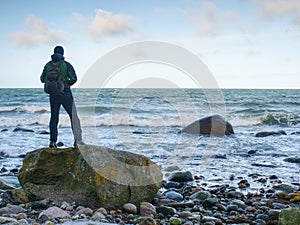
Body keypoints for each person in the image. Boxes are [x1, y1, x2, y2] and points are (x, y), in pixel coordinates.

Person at [40, 45, 84, 148]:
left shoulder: (48, 65)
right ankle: (78, 141)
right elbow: (74, 78)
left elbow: (42, 79)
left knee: (54, 117)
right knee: (73, 117)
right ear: (63, 54)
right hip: (66, 93)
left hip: (53, 95)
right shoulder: (66, 65)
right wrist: (66, 84)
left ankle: (52, 142)